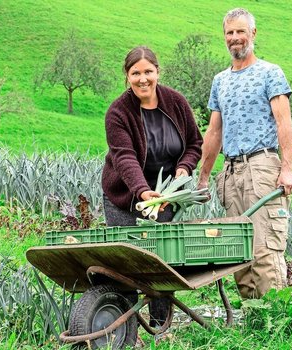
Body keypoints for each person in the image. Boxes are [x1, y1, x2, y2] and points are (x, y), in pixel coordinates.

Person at [197, 8, 292, 299]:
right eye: (230, 33)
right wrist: (204, 178)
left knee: (264, 246)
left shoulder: (270, 73)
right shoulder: (220, 81)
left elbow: (283, 122)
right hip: (231, 172)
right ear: (224, 37)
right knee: (238, 248)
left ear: (253, 33)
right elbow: (214, 132)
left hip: (261, 165)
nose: (235, 38)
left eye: (241, 31)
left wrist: (287, 168)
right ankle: (252, 320)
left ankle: (275, 321)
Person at [101, 46, 203, 325]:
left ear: (158, 72)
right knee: (127, 261)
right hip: (125, 196)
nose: (142, 79)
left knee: (160, 262)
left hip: (165, 196)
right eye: (136, 73)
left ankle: (161, 326)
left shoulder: (176, 103)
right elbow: (124, 157)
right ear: (127, 76)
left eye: (148, 72)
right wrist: (143, 191)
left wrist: (184, 168)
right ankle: (126, 327)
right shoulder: (118, 113)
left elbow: (195, 143)